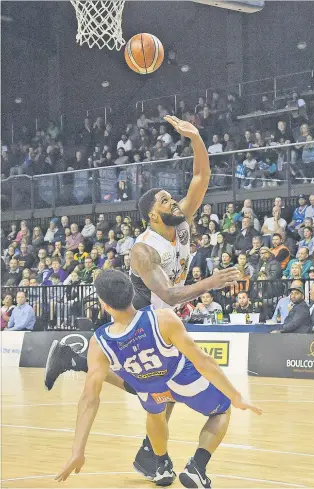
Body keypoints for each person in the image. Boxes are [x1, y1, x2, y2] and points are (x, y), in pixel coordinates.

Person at [44, 116, 239, 481]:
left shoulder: (179, 223)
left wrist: (196, 137)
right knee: (158, 390)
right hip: (142, 320)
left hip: (163, 318)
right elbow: (168, 293)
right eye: (166, 199)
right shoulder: (143, 250)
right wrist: (211, 281)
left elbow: (200, 179)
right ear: (153, 212)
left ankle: (150, 454)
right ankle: (155, 456)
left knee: (152, 390)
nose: (174, 200)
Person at [55, 270, 262, 486]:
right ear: (132, 292)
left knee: (155, 415)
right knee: (222, 410)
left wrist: (77, 451)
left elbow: (89, 399)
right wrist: (235, 395)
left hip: (150, 391)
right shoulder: (161, 318)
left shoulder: (100, 342)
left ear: (103, 304)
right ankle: (196, 468)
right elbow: (204, 361)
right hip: (183, 380)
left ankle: (161, 465)